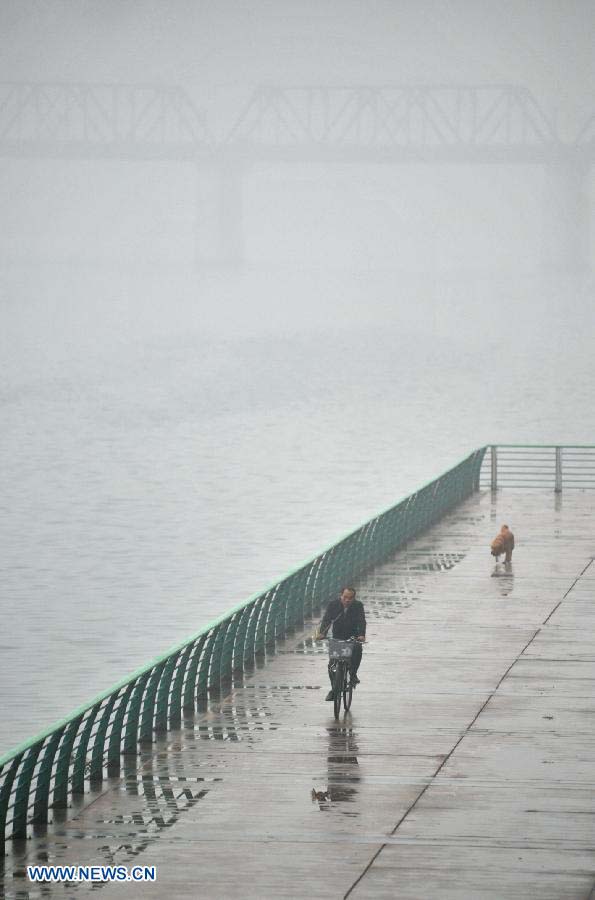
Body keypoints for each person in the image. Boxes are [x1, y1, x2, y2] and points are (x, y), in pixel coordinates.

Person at [316, 587, 366, 701]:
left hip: (353, 636)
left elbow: (361, 621)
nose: (347, 600)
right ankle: (334, 689)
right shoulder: (333, 605)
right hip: (337, 636)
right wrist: (322, 633)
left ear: (354, 598)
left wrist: (362, 635)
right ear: (341, 596)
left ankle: (353, 674)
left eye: (350, 598)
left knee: (357, 650)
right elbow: (327, 620)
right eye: (345, 597)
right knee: (332, 666)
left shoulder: (358, 605)